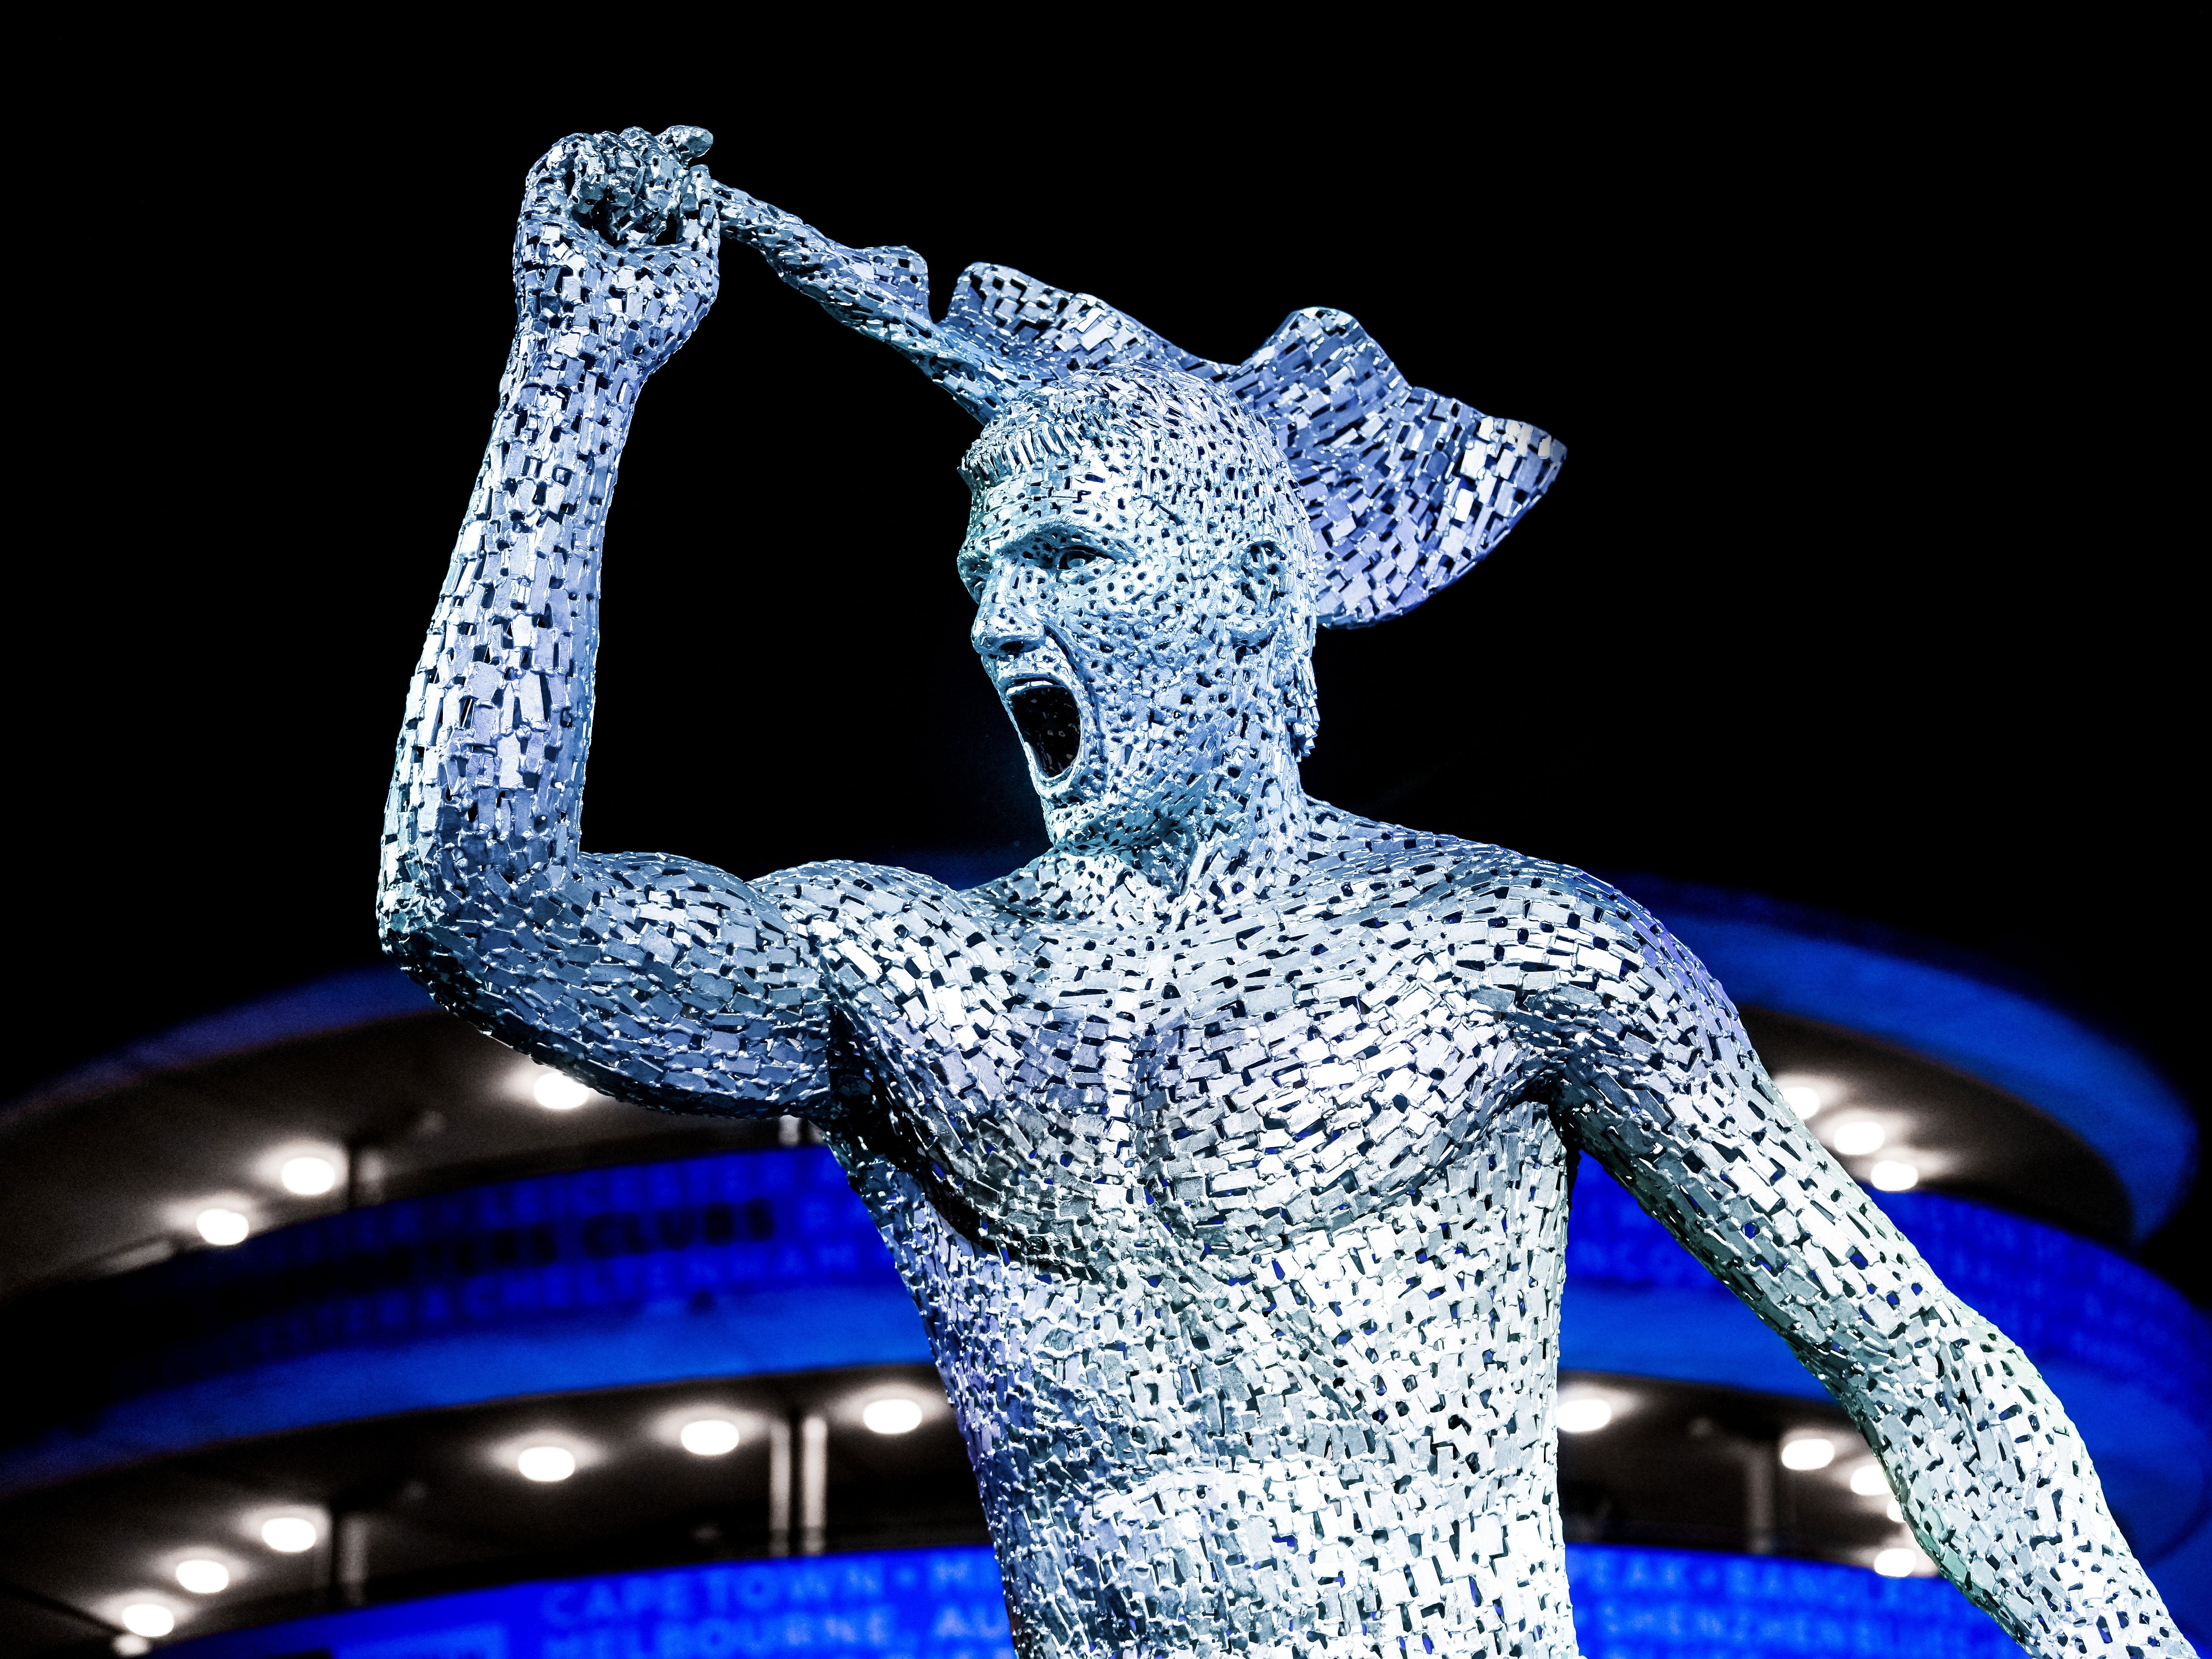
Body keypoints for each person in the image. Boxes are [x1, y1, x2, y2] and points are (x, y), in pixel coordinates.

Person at [378, 126, 2188, 1659]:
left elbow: (1918, 1360)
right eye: (986, 571)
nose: (1008, 614)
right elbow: (471, 905)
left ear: (1252, 590)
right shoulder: (910, 972)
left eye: (1072, 555)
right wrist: (576, 370)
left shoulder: (1508, 947)